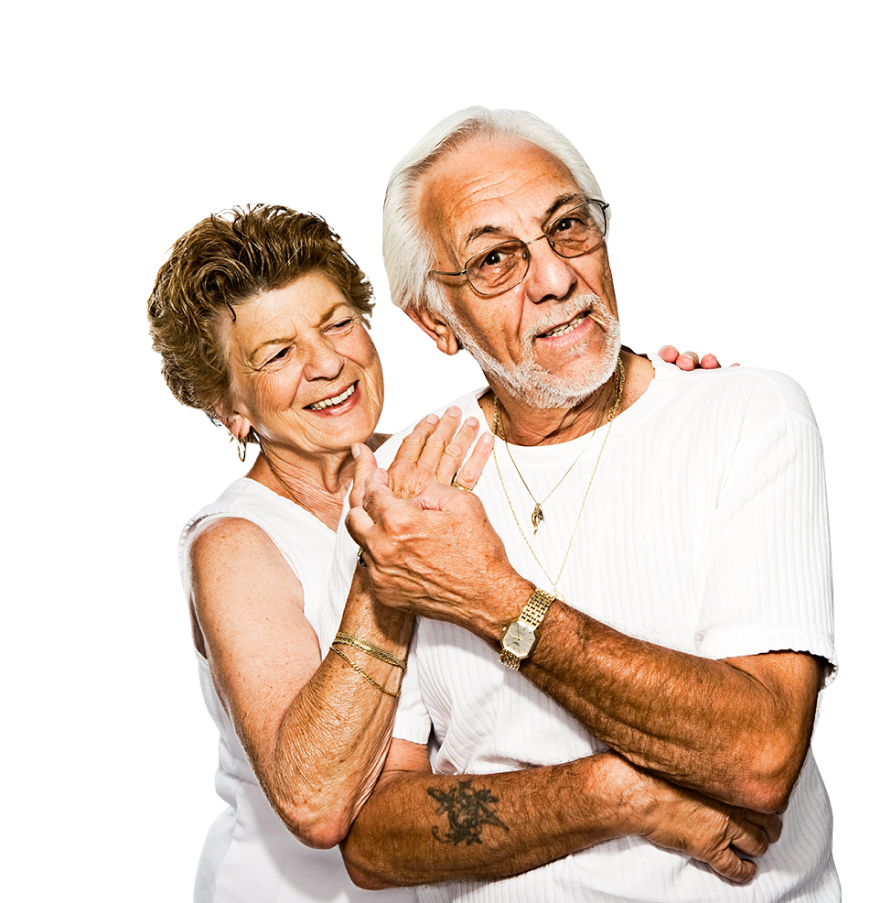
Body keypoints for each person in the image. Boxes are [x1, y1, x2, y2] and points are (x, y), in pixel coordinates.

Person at [148, 201, 747, 902]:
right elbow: (315, 803)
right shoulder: (235, 541)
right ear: (230, 407)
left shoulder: (436, 457)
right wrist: (394, 572)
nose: (326, 363)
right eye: (278, 354)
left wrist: (660, 402)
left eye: (336, 324)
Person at [335, 107, 839, 901]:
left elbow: (760, 753)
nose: (556, 277)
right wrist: (614, 794)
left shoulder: (744, 413)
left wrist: (494, 599)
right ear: (437, 323)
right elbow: (369, 837)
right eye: (495, 258)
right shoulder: (400, 482)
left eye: (567, 226)